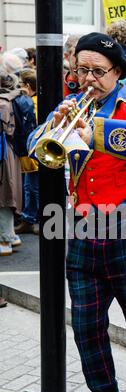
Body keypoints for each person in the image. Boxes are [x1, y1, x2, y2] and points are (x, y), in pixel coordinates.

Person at [28, 32, 126, 392]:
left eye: (97, 71)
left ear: (117, 72)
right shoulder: (70, 106)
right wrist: (52, 128)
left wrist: (95, 132)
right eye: (81, 69)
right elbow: (38, 149)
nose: (88, 78)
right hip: (85, 226)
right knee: (86, 322)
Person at [0, 71, 22, 255]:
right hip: (8, 151)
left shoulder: (2, 103)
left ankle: (5, 239)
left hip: (2, 154)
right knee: (7, 193)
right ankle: (10, 235)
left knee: (3, 196)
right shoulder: (12, 98)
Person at [15, 68, 39, 235]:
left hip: (34, 152)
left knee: (35, 187)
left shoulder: (33, 103)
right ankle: (28, 218)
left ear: (28, 86)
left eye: (21, 84)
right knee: (29, 186)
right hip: (30, 152)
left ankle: (39, 220)